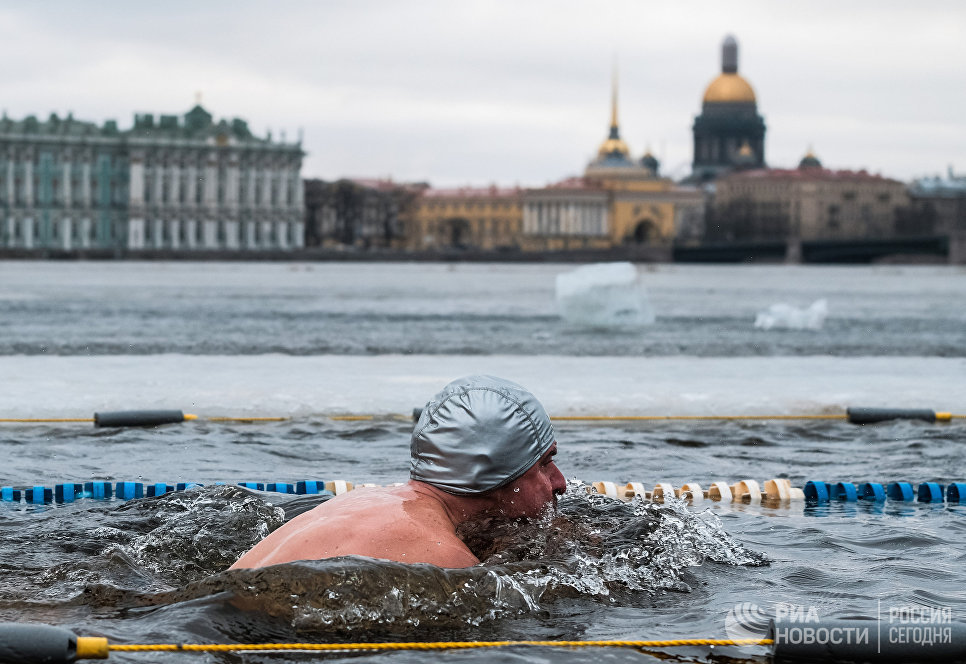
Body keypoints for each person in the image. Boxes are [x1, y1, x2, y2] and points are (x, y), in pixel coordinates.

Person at [230, 375, 567, 570]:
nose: (560, 482)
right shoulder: (445, 559)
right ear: (499, 474)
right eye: (544, 463)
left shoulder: (364, 499)